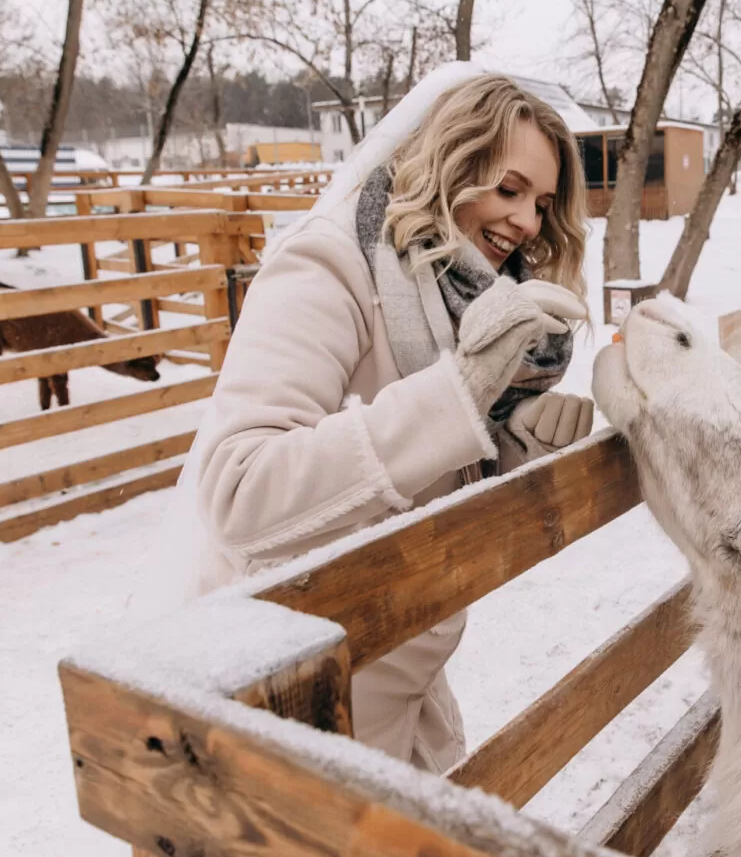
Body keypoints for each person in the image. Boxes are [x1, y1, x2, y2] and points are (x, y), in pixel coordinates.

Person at [182, 65, 595, 771]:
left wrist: (510, 442)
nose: (527, 222)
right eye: (508, 189)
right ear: (450, 164)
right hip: (295, 702)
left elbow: (430, 481)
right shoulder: (326, 267)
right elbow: (238, 489)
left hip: (402, 676)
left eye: (542, 202)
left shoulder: (460, 293)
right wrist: (457, 393)